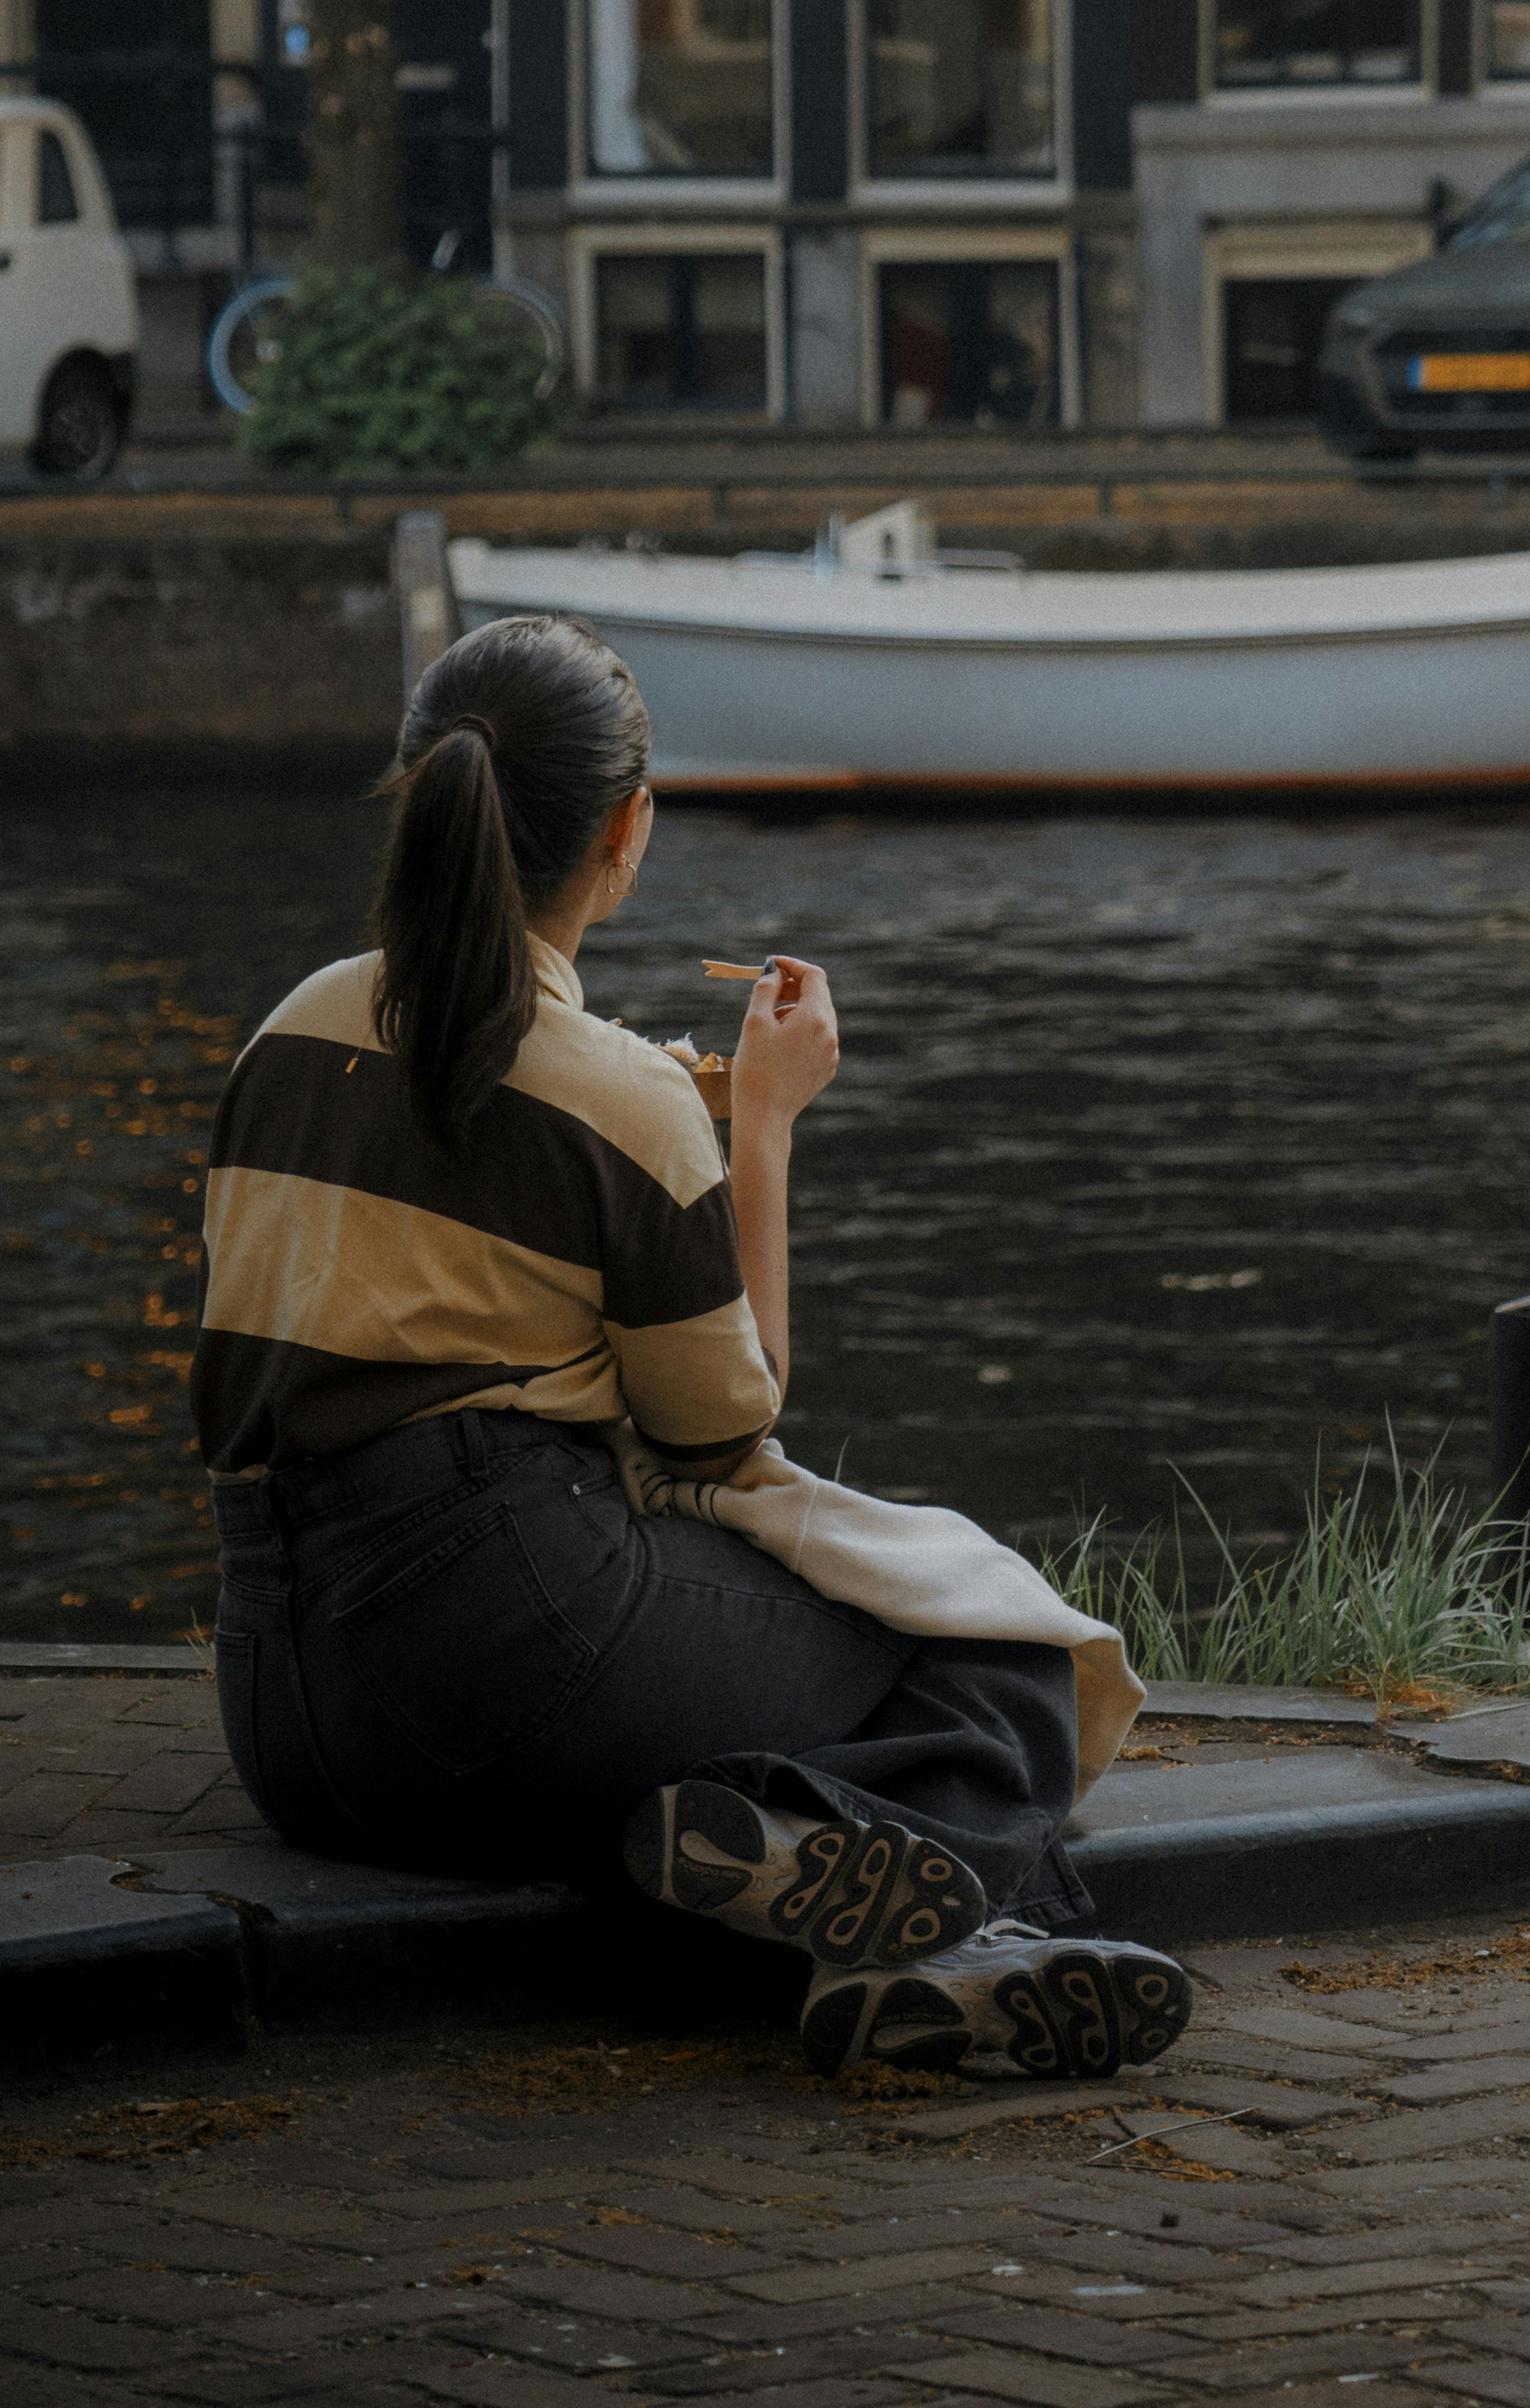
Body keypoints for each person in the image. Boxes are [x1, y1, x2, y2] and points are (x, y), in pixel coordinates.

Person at [193, 612, 1190, 2082]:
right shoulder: (622, 1104)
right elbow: (727, 1430)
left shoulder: (284, 1035)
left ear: (420, 791)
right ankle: (935, 1935)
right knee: (999, 1671)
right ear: (628, 828)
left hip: (291, 1715)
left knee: (649, 1801)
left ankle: (887, 1947)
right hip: (505, 1649)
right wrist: (762, 1130)